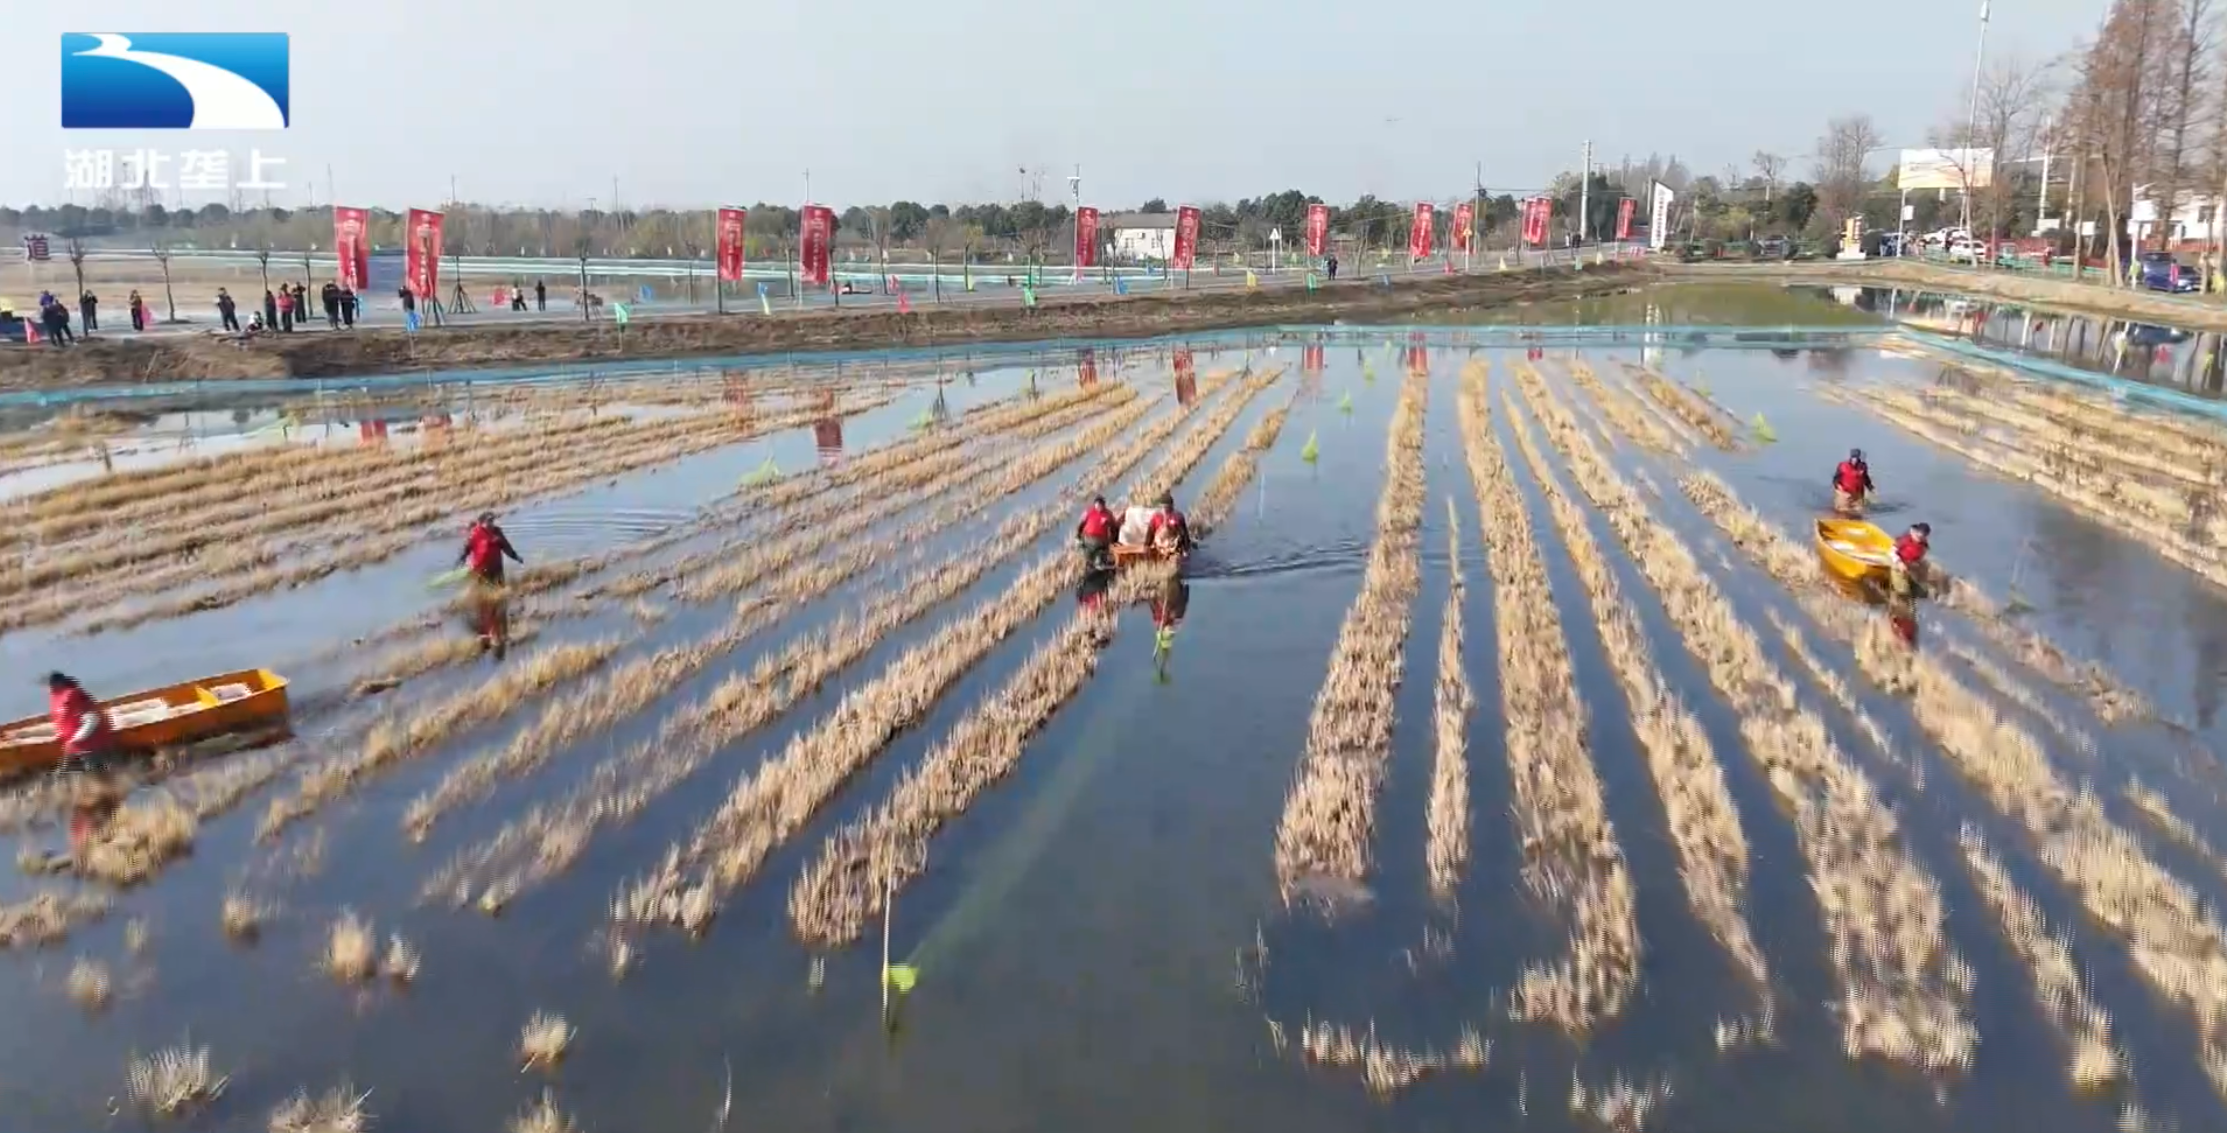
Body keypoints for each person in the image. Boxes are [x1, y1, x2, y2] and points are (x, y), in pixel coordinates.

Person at [47, 672, 118, 779]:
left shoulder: (75, 695)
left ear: (59, 683)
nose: (49, 687)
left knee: (96, 771)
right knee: (64, 773)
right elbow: (61, 719)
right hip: (74, 745)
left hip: (91, 742)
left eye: (51, 684)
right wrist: (61, 735)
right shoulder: (56, 698)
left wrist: (77, 738)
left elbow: (92, 718)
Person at [459, 511, 524, 586]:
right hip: (481, 569)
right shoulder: (475, 533)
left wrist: (515, 556)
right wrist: (462, 559)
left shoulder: (497, 533)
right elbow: (467, 548)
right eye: (489, 521)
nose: (491, 524)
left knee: (500, 587)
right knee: (483, 588)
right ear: (481, 523)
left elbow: (506, 547)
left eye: (492, 521)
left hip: (496, 567)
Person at [1891, 522, 1931, 599]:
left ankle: (1915, 586)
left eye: (1923, 535)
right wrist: (1899, 563)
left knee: (1922, 592)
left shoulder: (1924, 545)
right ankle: (1896, 591)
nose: (1920, 537)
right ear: (1915, 532)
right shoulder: (1905, 540)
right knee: (1903, 591)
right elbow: (1892, 551)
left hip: (1911, 564)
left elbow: (1921, 555)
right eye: (1918, 535)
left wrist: (1917, 563)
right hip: (1898, 563)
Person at [1075, 494, 1117, 569]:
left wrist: (1112, 539)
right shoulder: (1088, 512)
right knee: (1085, 551)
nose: (1099, 505)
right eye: (1097, 503)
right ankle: (1092, 563)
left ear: (1104, 505)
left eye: (1101, 503)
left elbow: (1113, 527)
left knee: (1099, 554)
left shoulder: (1108, 514)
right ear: (1095, 504)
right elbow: (1081, 524)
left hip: (1100, 540)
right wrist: (1078, 535)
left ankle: (1099, 563)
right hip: (1089, 539)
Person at [1831, 447, 1874, 512]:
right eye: (1853, 457)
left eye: (1856, 457)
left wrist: (1870, 487)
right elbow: (1835, 480)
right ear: (1851, 457)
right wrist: (1841, 491)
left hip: (1858, 494)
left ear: (1859, 457)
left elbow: (1865, 478)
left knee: (1860, 511)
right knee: (1843, 510)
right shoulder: (1842, 465)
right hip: (1845, 493)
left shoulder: (1863, 466)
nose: (1855, 460)